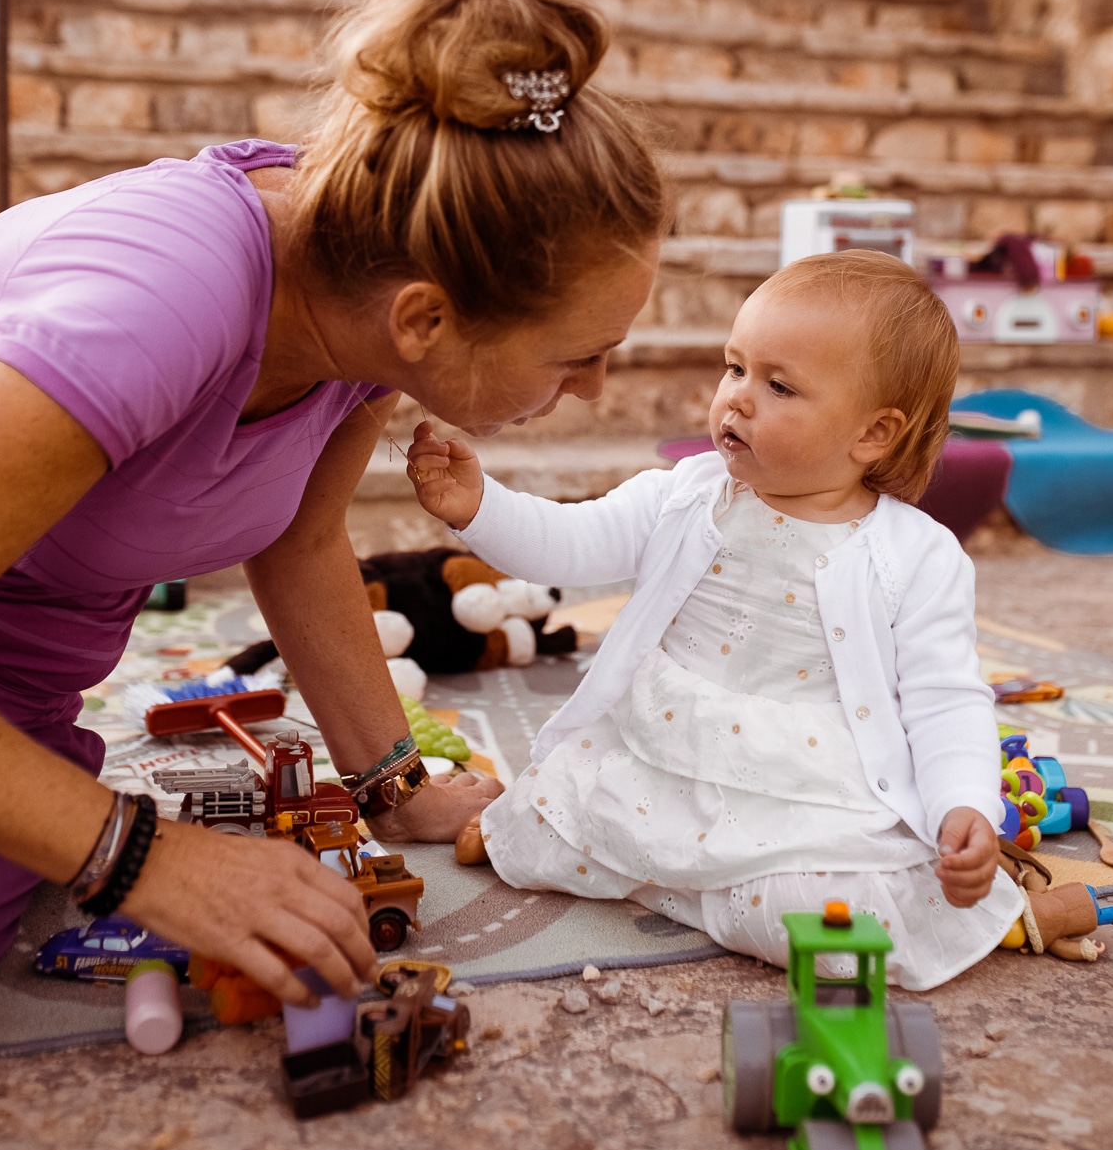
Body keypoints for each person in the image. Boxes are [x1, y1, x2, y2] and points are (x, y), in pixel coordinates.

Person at [0, 0, 667, 1094]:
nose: (592, 389)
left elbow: (295, 536)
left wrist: (390, 781)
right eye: (580, 357)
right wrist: (144, 856)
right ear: (425, 320)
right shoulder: (160, 301)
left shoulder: (359, 304)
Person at [408, 250, 1023, 991]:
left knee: (841, 924)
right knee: (544, 821)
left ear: (871, 434)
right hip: (660, 753)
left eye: (779, 385)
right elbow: (570, 540)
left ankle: (681, 880)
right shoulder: (687, 494)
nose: (737, 399)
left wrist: (966, 803)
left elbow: (944, 699)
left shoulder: (914, 555)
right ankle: (658, 867)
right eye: (735, 369)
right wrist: (480, 508)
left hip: (797, 792)